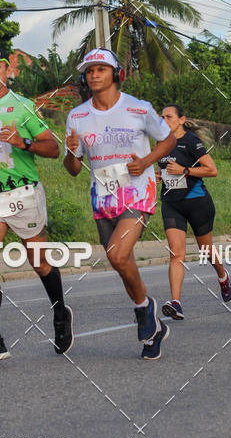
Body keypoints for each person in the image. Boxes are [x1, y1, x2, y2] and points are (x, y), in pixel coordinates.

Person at [64, 49, 176, 360]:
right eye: (89, 71)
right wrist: (72, 152)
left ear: (116, 73)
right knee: (120, 263)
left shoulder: (139, 109)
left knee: (117, 253)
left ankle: (144, 310)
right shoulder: (77, 116)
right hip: (102, 195)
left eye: (101, 69)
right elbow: (73, 169)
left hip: (138, 191)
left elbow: (168, 140)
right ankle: (148, 315)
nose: (94, 75)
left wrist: (149, 161)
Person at [0, 46, 72, 362]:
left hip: (23, 194)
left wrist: (21, 142)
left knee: (39, 262)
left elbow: (53, 149)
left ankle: (60, 313)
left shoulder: (23, 107)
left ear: (7, 71)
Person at [157, 104, 231, 320]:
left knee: (205, 249)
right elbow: (165, 168)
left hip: (197, 201)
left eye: (169, 116)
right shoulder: (161, 142)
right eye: (161, 117)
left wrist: (185, 171)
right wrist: (159, 175)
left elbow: (212, 170)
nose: (164, 120)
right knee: (176, 253)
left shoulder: (191, 141)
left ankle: (222, 275)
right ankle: (176, 303)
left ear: (181, 119)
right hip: (171, 203)